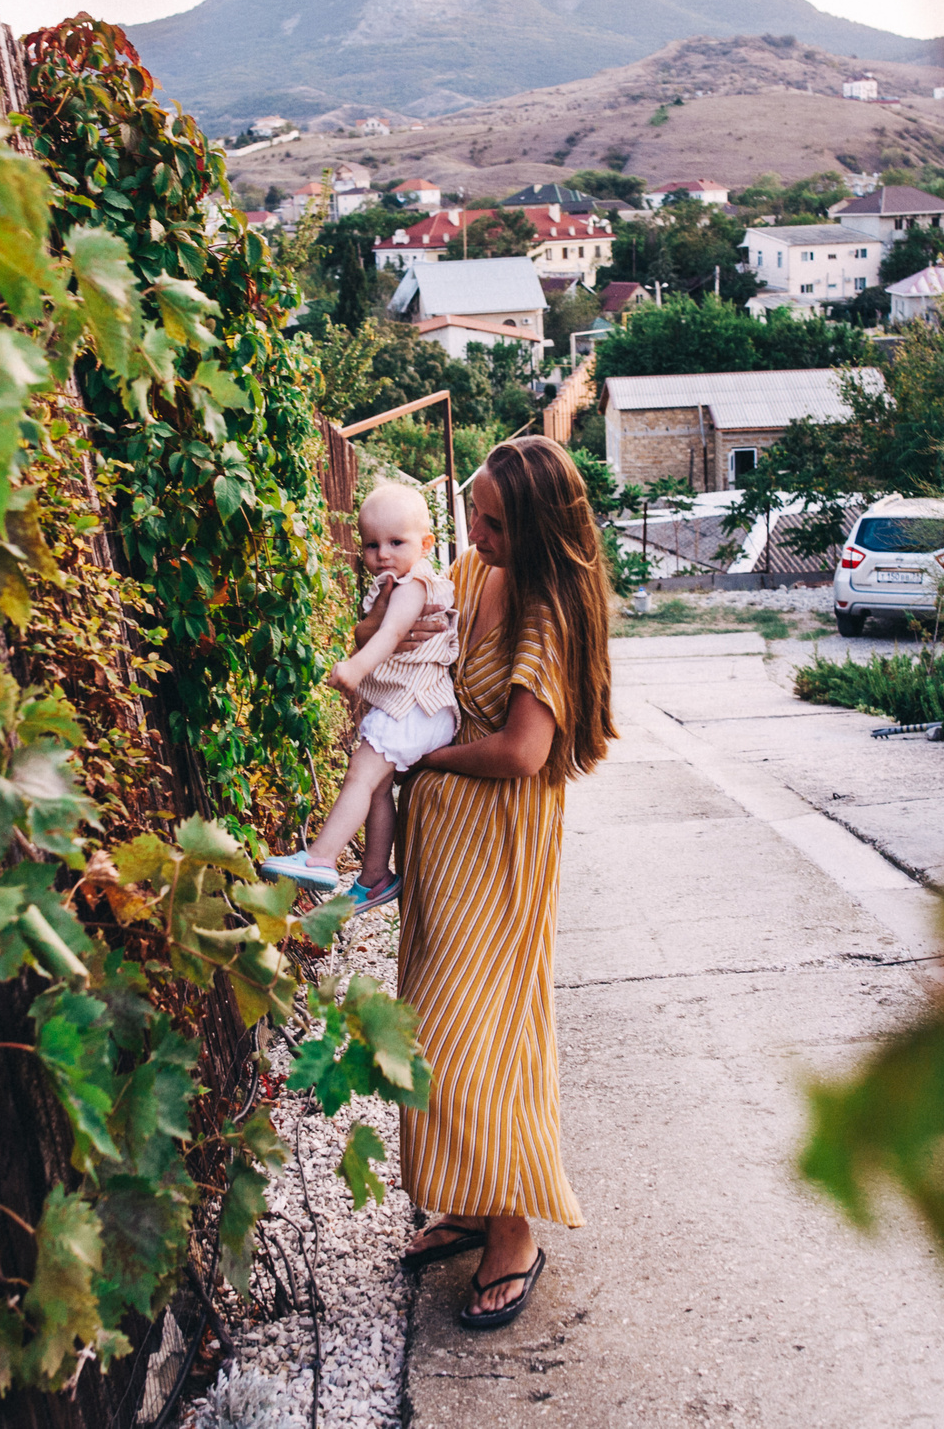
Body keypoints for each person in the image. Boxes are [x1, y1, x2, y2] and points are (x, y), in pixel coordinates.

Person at [389, 437, 615, 1332]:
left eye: (491, 522)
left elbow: (523, 750)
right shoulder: (475, 569)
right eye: (473, 513)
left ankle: (514, 1228)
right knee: (432, 1025)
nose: (474, 533)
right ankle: (474, 1201)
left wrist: (427, 759)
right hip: (445, 847)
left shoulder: (545, 611)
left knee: (479, 1031)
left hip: (499, 844)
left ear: (537, 529)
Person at [262, 481, 458, 915]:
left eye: (396, 542)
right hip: (417, 706)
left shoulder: (413, 584)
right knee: (377, 787)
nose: (383, 554)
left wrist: (354, 667)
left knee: (359, 777)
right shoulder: (398, 581)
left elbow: (391, 634)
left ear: (425, 544)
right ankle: (375, 878)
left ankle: (321, 857)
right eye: (372, 545)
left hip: (415, 705)